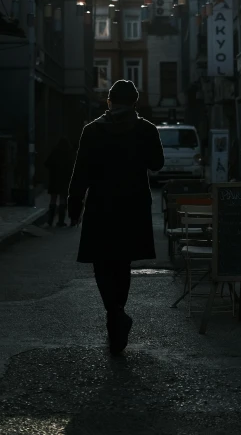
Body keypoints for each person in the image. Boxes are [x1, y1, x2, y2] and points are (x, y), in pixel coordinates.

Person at [68, 80, 165, 356]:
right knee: (122, 263)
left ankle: (114, 313)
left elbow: (81, 171)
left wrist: (74, 202)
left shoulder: (92, 130)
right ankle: (117, 313)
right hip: (132, 206)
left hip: (101, 205)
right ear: (135, 103)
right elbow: (157, 163)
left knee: (102, 263)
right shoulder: (145, 129)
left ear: (109, 102)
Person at [45, 137, 76, 227]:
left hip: (54, 179)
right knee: (63, 199)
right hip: (65, 180)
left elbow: (47, 164)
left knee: (53, 199)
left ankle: (50, 221)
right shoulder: (69, 153)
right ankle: (61, 221)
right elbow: (72, 167)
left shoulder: (55, 152)